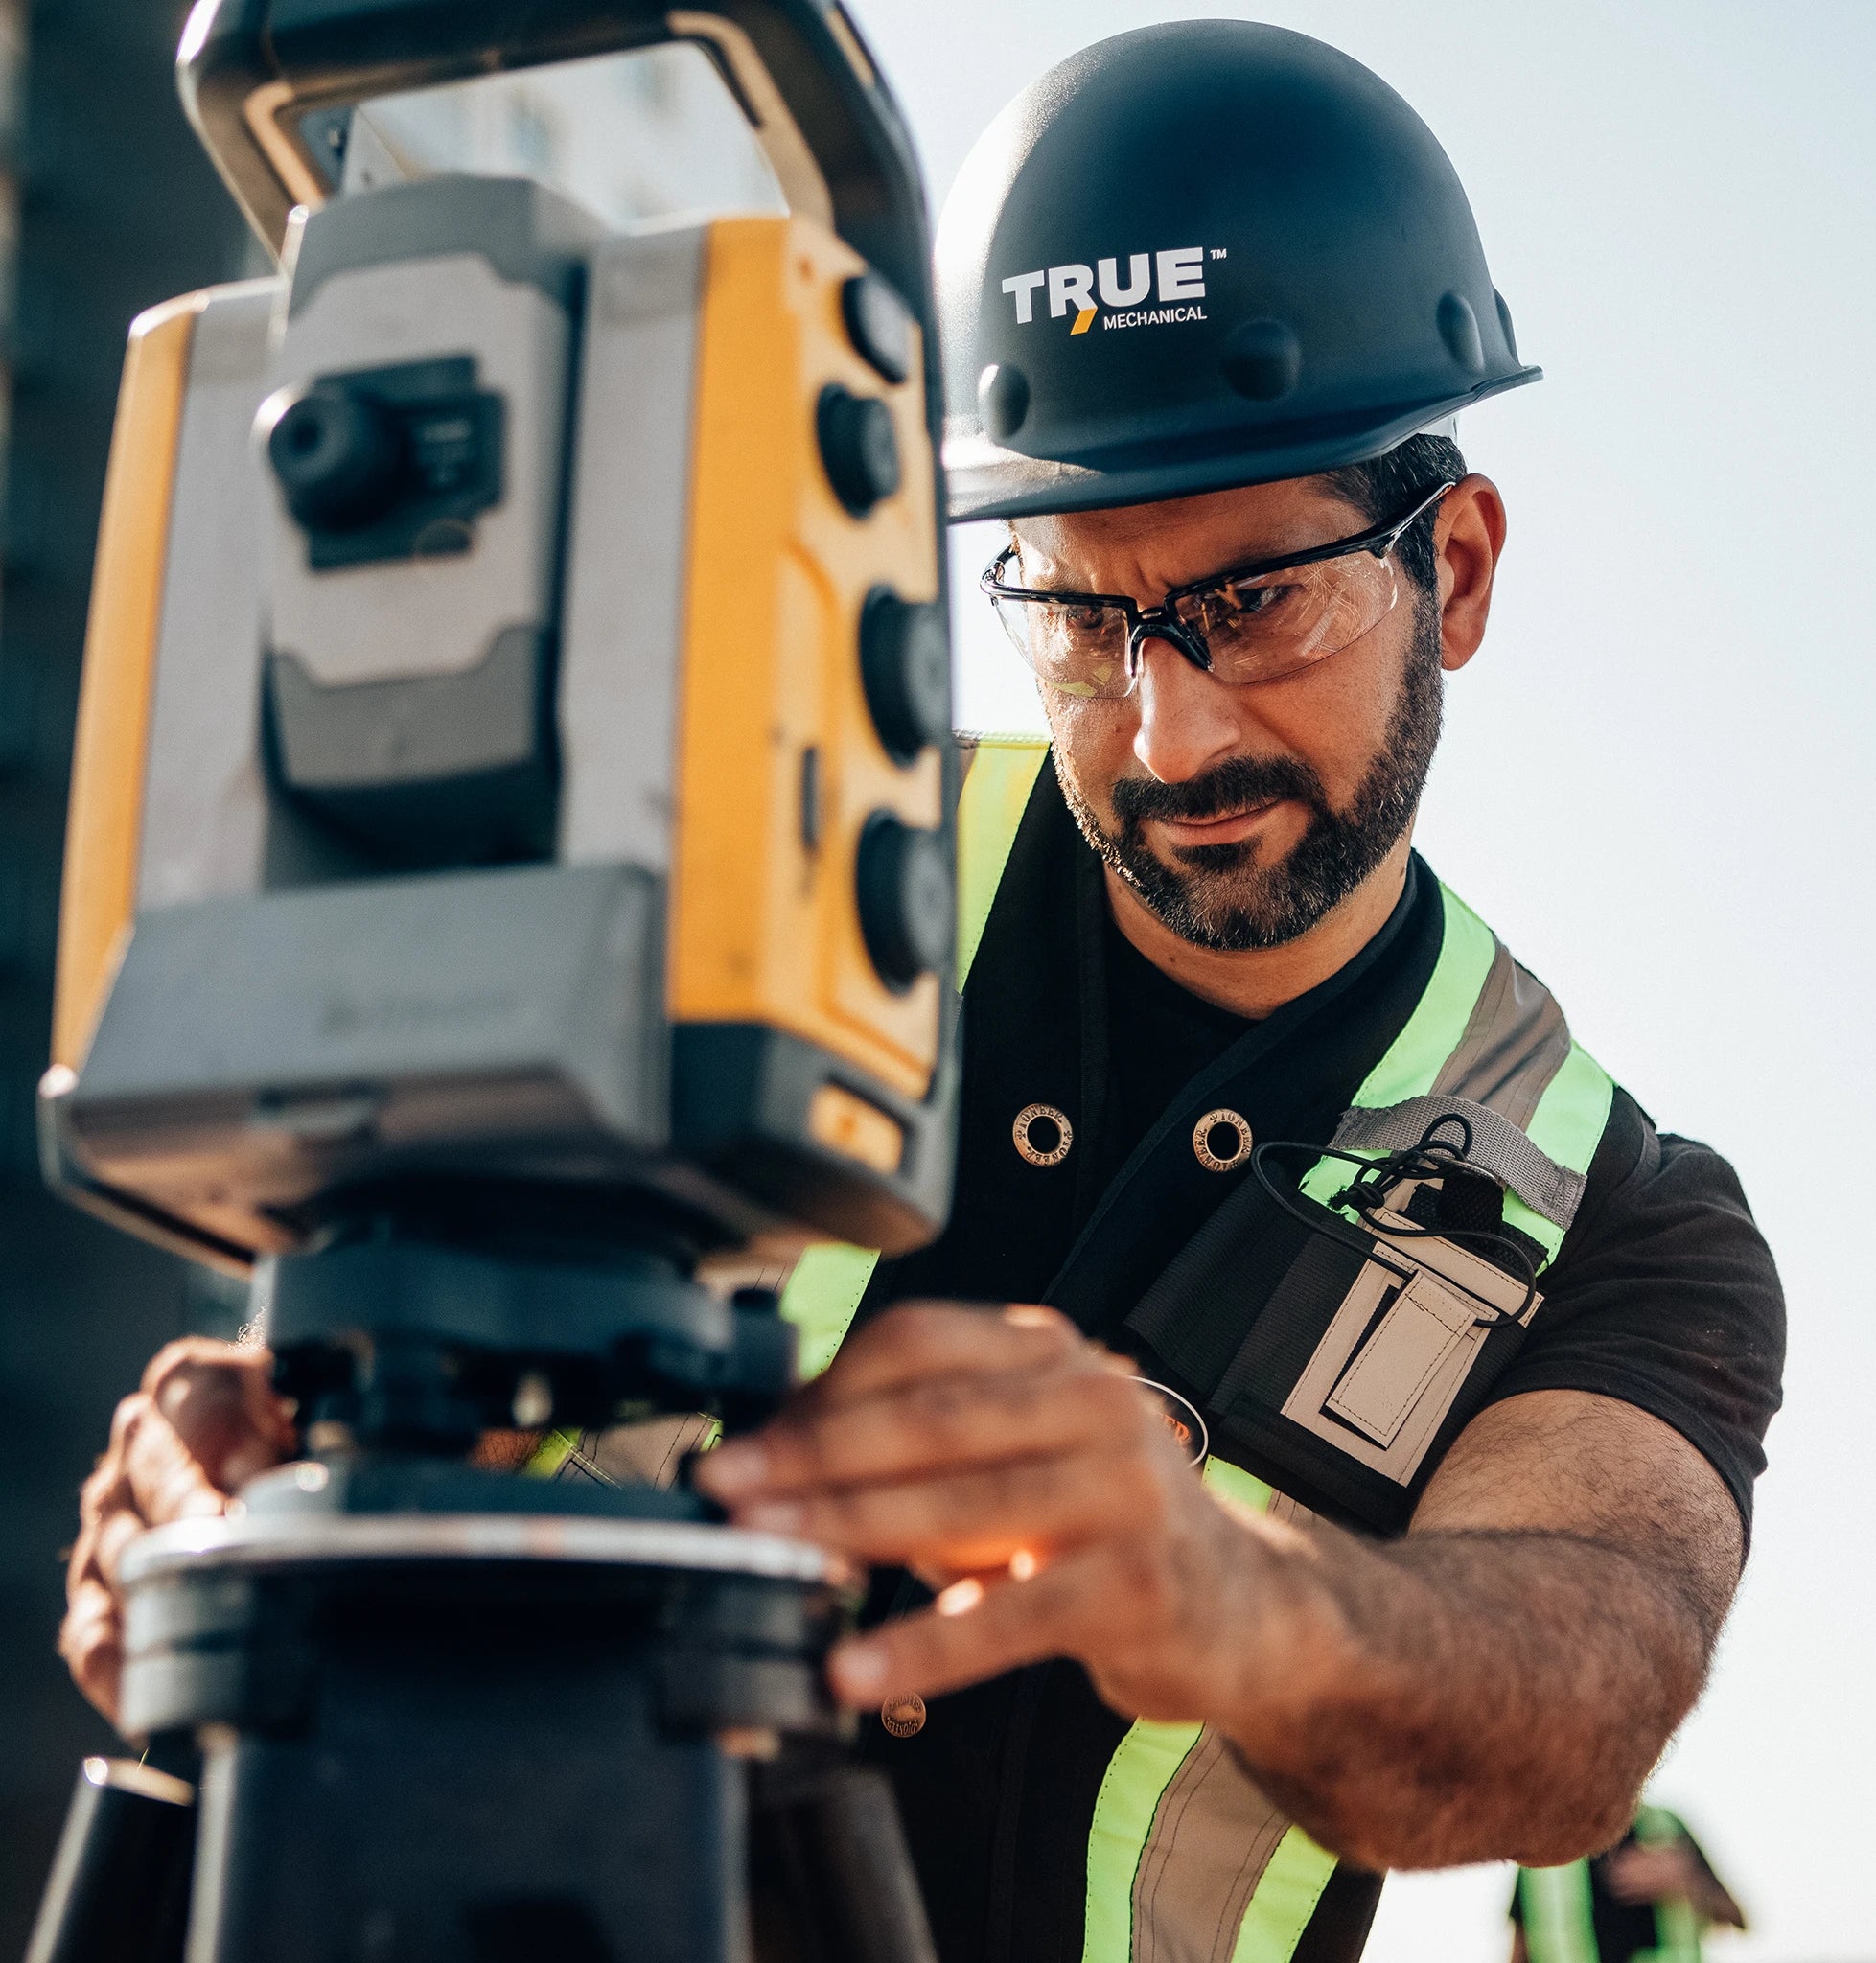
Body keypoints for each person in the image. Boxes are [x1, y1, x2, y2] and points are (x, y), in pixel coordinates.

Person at [58, 22, 1786, 1963]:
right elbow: (404, 1372)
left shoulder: (1617, 1213)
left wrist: (1243, 1596)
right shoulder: (728, 887)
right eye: (1076, 612)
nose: (1168, 730)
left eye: (1253, 601)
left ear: (1451, 571)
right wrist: (254, 1469)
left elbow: (1579, 1691)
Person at [1513, 1802, 1748, 1963]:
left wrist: (1688, 1879)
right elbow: (1520, 1947)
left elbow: (1736, 1919)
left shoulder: (1669, 1828)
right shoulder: (1545, 1846)